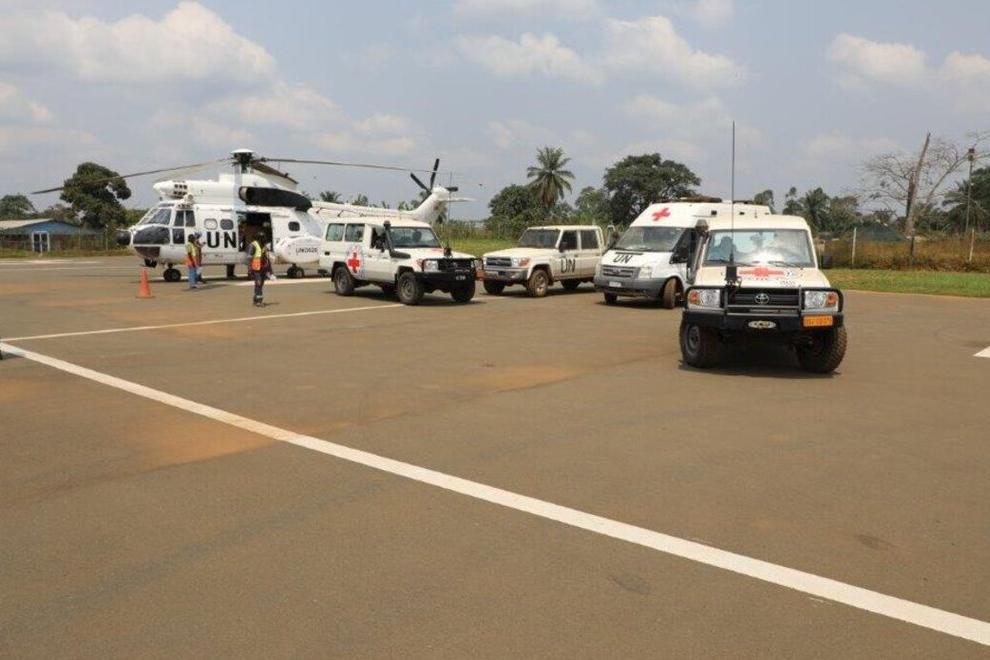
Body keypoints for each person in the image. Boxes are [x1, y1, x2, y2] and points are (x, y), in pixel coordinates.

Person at [248, 235, 271, 307]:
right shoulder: (253, 245)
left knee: (260, 284)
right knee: (258, 283)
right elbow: (249, 257)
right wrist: (249, 268)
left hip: (263, 268)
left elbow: (267, 258)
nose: (265, 240)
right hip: (256, 268)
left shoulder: (264, 246)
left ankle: (255, 300)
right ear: (259, 239)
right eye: (263, 239)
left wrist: (270, 270)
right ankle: (259, 301)